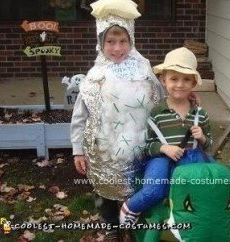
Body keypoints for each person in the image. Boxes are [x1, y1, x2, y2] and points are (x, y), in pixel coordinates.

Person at [70, 0, 164, 240]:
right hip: (103, 150)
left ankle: (132, 222)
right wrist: (77, 150)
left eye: (123, 41)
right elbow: (80, 115)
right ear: (101, 42)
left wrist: (183, 97)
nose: (117, 48)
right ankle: (111, 225)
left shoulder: (143, 71)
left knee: (137, 186)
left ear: (131, 41)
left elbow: (161, 99)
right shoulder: (94, 77)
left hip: (138, 146)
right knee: (106, 191)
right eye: (110, 42)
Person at [120, 47, 214, 224]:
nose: (180, 84)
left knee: (211, 180)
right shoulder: (155, 112)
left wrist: (201, 137)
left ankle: (221, 202)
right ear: (163, 80)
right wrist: (164, 148)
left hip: (191, 157)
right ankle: (132, 207)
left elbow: (209, 145)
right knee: (155, 189)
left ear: (194, 84)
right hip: (161, 158)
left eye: (186, 79)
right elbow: (144, 145)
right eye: (174, 79)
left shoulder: (199, 113)